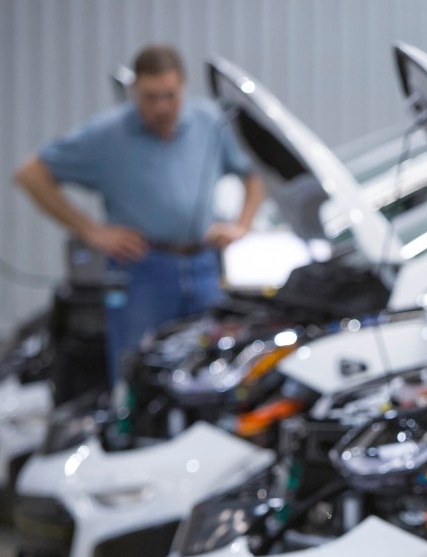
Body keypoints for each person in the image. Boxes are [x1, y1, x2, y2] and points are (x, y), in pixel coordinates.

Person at [14, 43, 265, 383]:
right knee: (136, 371)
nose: (162, 107)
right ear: (134, 91)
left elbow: (254, 172)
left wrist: (242, 225)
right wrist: (92, 231)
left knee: (207, 369)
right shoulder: (107, 135)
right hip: (143, 269)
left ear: (184, 88)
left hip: (204, 265)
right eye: (150, 97)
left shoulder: (209, 122)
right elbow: (31, 174)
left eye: (170, 95)